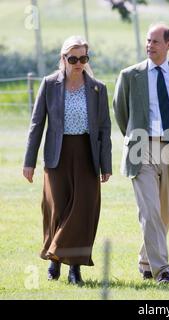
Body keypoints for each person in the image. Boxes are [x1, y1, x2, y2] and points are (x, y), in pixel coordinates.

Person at [23, 35, 112, 285]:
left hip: (87, 154)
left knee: (84, 209)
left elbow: (105, 128)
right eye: (73, 58)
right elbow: (36, 124)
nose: (78, 63)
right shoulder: (50, 84)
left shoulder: (97, 88)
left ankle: (75, 268)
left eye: (83, 58)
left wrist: (106, 164)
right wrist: (28, 161)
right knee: (58, 209)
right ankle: (55, 260)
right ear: (63, 59)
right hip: (57, 155)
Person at [113, 23, 169, 284]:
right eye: (148, 41)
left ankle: (146, 260)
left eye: (156, 41)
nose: (150, 45)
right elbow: (121, 111)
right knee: (149, 211)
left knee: (165, 213)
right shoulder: (130, 75)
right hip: (141, 147)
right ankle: (163, 270)